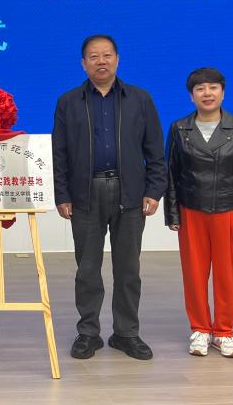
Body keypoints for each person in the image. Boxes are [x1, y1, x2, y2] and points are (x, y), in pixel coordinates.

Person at [52, 34, 166, 361]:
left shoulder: (139, 99)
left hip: (129, 193)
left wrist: (154, 190)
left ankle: (126, 333)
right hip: (85, 194)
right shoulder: (68, 101)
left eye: (107, 55)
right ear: (83, 63)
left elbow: (155, 150)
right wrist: (62, 194)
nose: (101, 61)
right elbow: (59, 153)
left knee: (128, 268)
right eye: (93, 56)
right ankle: (88, 333)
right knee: (87, 269)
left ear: (117, 59)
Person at [164, 67, 233, 358]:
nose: (207, 93)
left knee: (227, 274)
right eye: (200, 89)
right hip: (191, 210)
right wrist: (172, 214)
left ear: (223, 92)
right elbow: (171, 173)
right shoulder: (179, 128)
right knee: (194, 273)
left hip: (230, 210)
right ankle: (199, 329)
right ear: (191, 96)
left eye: (213, 87)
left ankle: (224, 331)